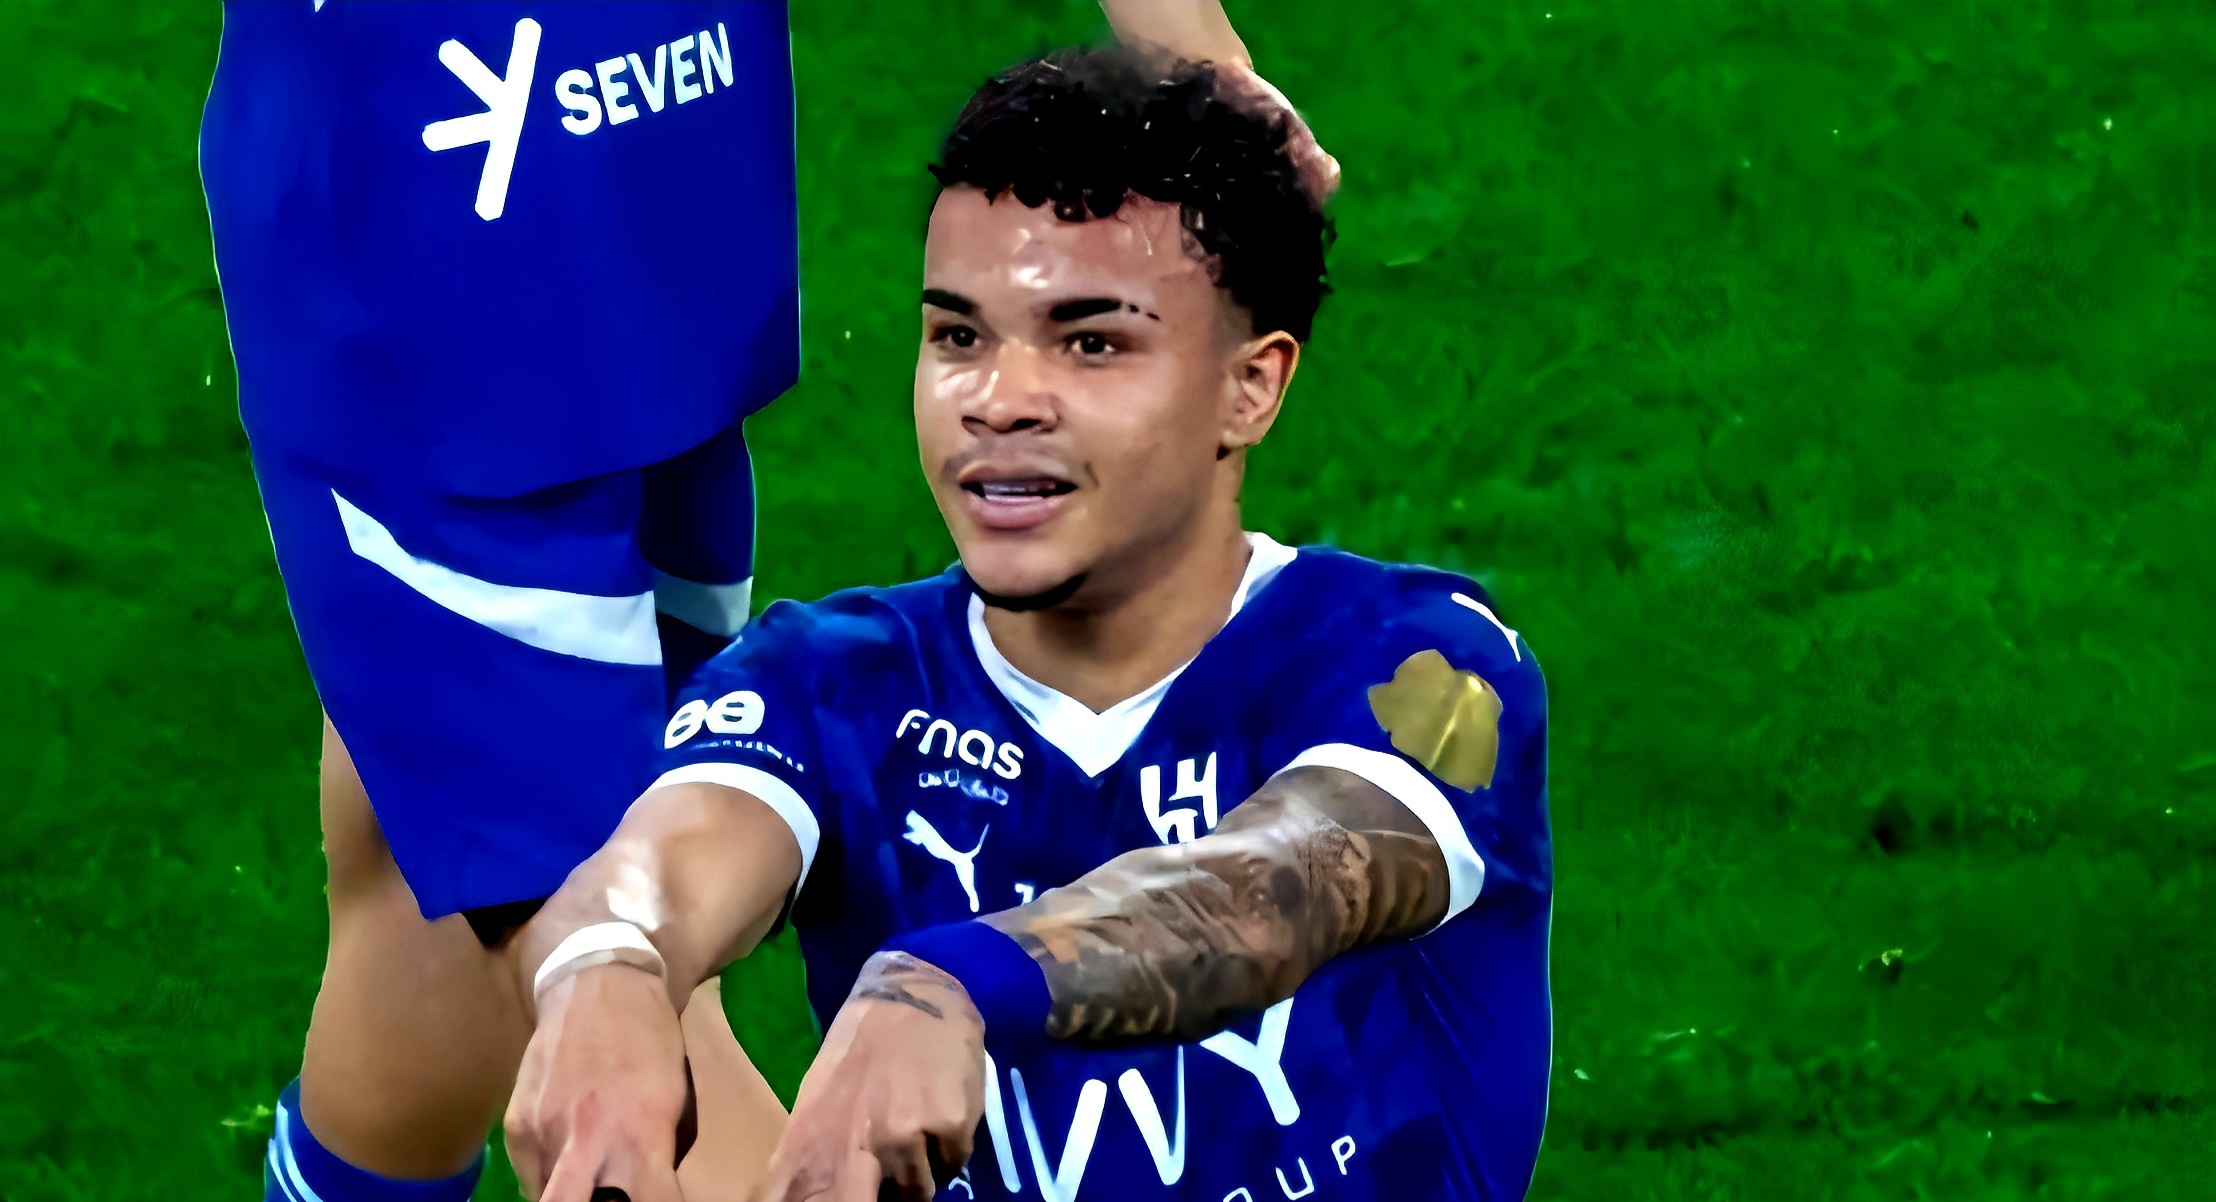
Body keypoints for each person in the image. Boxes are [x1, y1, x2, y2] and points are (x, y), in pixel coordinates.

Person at [198, 4, 1332, 1201]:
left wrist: (1204, 64)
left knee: (453, 839)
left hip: (624, 155)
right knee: (593, 947)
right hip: (467, 221)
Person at [505, 45, 1552, 1202]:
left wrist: (954, 980)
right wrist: (605, 960)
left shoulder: (1427, 665)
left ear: (1249, 386)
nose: (997, 401)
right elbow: (665, 858)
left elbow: (1278, 888)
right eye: (958, 336)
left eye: (1090, 341)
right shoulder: (830, 683)